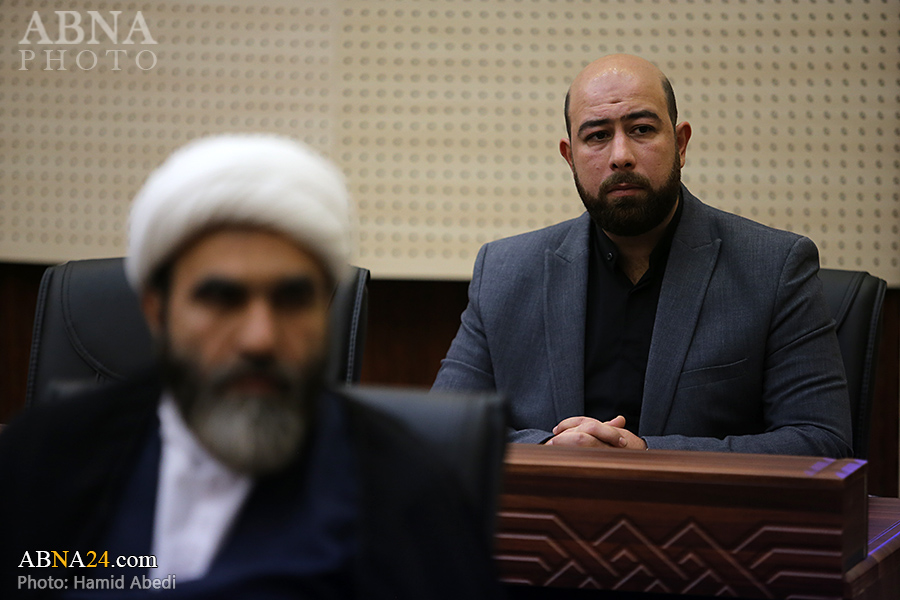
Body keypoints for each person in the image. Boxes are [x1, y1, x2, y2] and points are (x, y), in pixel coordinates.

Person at [0, 135, 499, 599]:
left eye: (292, 299)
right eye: (222, 299)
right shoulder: (46, 457)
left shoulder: (409, 496)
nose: (259, 338)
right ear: (157, 311)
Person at [433, 54, 852, 457]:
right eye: (597, 136)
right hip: (549, 505)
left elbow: (820, 441)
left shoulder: (775, 267)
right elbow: (445, 428)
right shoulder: (504, 271)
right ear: (570, 157)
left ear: (681, 143)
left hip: (699, 508)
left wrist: (648, 455)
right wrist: (551, 451)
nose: (621, 156)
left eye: (642, 129)